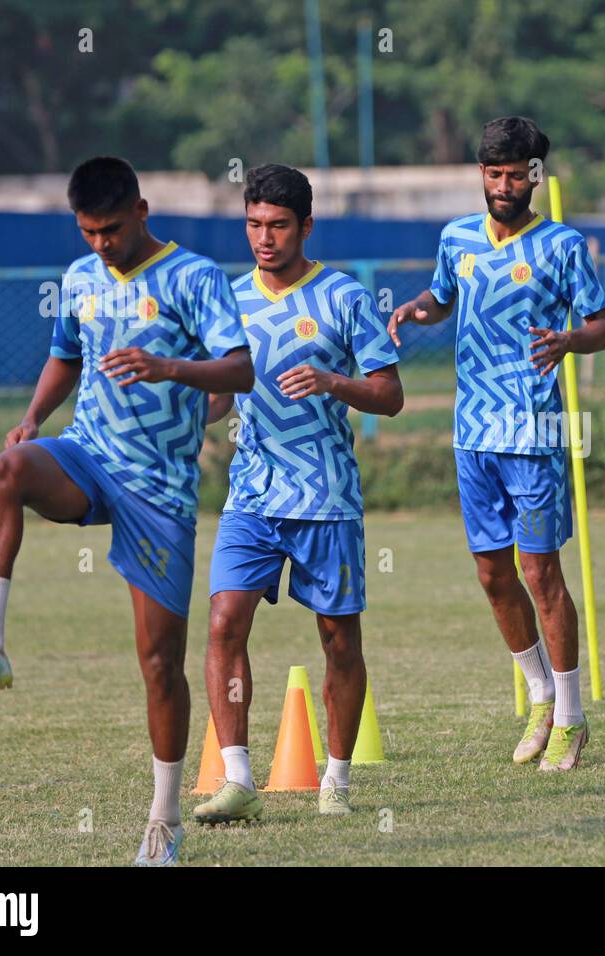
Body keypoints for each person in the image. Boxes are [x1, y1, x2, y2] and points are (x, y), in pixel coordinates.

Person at [0, 156, 254, 864]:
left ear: (142, 210)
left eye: (111, 230)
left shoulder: (194, 277)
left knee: (157, 663)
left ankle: (164, 819)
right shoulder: (80, 278)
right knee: (4, 472)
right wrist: (32, 416)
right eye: (88, 232)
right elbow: (66, 355)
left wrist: (168, 367)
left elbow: (240, 370)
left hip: (158, 490)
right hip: (88, 456)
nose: (100, 245)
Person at [388, 117, 605, 771]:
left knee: (541, 573)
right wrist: (414, 310)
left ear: (534, 177)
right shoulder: (456, 237)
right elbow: (441, 297)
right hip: (473, 436)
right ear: (481, 176)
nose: (504, 186)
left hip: (536, 435)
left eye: (516, 175)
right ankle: (541, 695)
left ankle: (572, 718)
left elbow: (603, 325)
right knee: (493, 575)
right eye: (494, 175)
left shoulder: (562, 246)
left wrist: (570, 340)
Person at [193, 164, 402, 826]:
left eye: (278, 225)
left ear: (305, 226)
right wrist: (184, 407)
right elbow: (218, 394)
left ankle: (336, 779)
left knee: (339, 641)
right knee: (224, 622)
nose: (265, 237)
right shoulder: (228, 301)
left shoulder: (344, 297)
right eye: (254, 224)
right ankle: (239, 779)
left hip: (326, 498)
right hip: (252, 496)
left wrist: (334, 382)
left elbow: (390, 394)